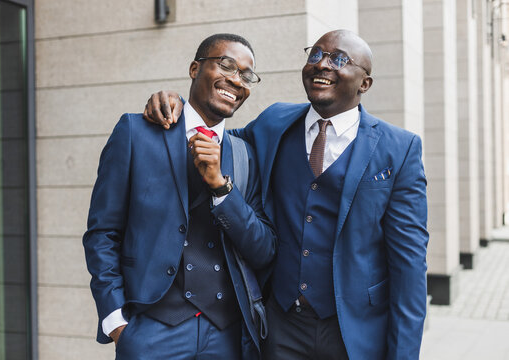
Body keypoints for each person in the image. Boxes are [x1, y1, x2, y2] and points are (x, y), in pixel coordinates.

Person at [143, 29, 429, 360]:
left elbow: (409, 266)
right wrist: (177, 105)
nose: (322, 64)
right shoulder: (274, 123)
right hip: (281, 326)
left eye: (338, 59)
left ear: (364, 84)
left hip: (355, 331)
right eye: (315, 55)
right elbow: (214, 136)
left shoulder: (400, 149)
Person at [83, 33, 276, 360]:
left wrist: (221, 187)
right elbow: (102, 233)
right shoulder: (135, 133)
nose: (235, 79)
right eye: (226, 65)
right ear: (194, 69)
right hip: (151, 331)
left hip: (226, 335)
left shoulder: (245, 155)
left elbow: (264, 249)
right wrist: (116, 321)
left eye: (246, 75)